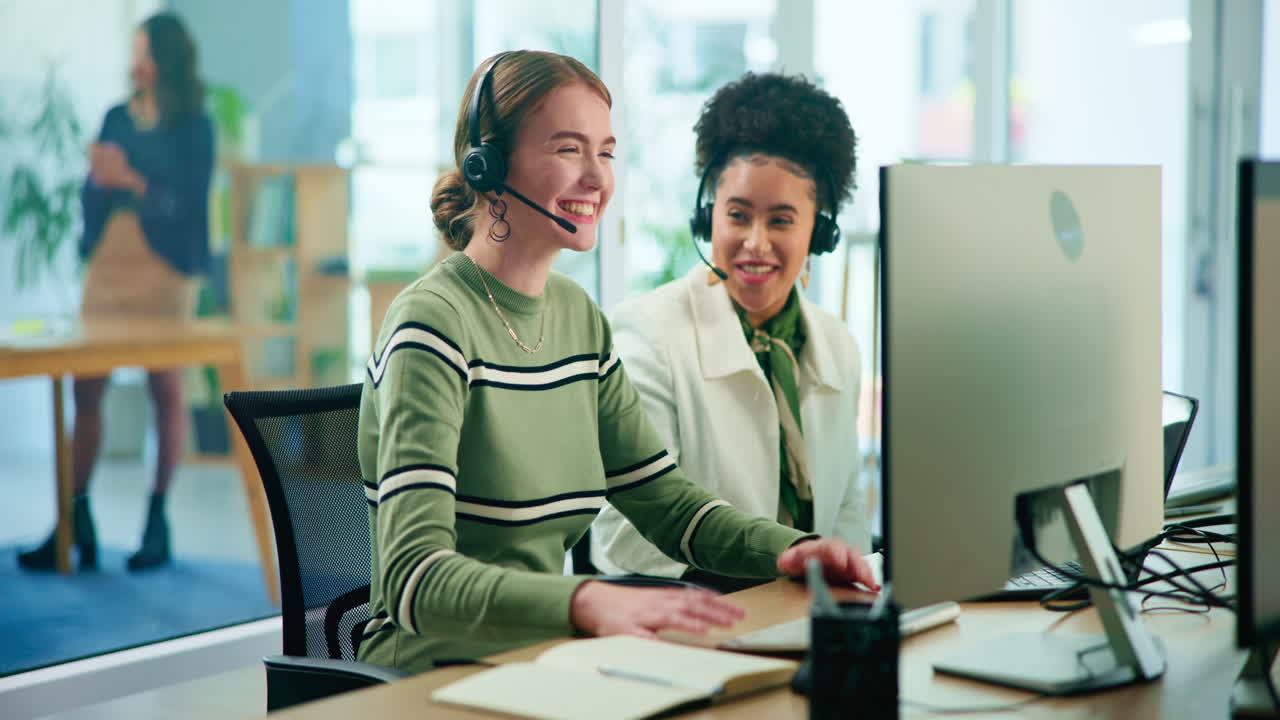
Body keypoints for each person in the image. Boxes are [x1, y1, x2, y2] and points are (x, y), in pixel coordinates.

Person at [358, 50, 876, 675]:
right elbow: (416, 579)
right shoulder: (433, 322)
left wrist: (792, 551)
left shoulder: (577, 316)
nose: (598, 180)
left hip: (544, 666)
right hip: (430, 676)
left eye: (605, 152)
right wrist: (583, 600)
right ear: (489, 163)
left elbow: (667, 504)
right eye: (568, 149)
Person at [591, 72, 869, 592]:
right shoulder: (645, 335)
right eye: (737, 215)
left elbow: (848, 511)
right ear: (707, 216)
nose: (755, 243)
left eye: (782, 221)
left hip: (811, 616)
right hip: (696, 618)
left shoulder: (837, 346)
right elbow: (626, 537)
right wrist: (778, 572)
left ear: (820, 230)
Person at [18, 12, 214, 572]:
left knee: (164, 388)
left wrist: (132, 180)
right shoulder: (114, 117)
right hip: (110, 264)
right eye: (134, 52)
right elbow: (92, 197)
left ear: (166, 60)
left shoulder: (193, 125)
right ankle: (74, 518)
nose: (135, 63)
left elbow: (189, 203)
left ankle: (157, 519)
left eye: (144, 52)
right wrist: (100, 180)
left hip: (166, 271)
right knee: (86, 389)